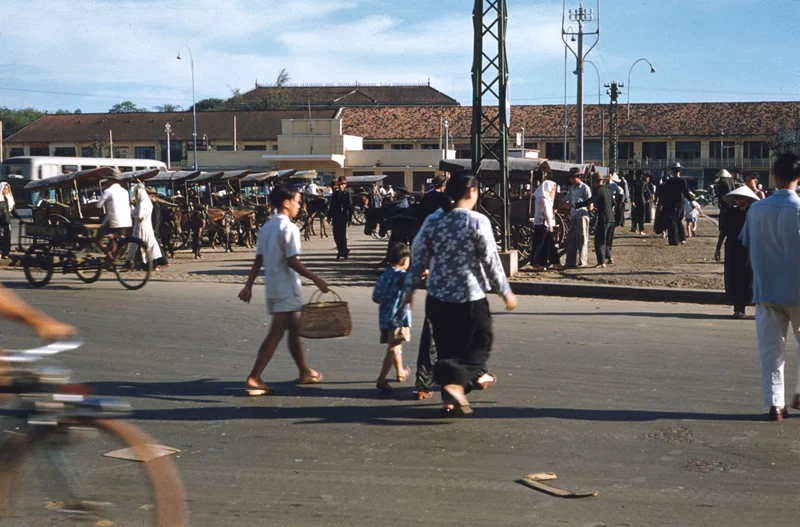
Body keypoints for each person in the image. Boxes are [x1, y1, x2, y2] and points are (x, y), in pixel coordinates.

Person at [403, 173, 517, 416]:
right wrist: (504, 291)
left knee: (446, 350)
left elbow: (418, 254)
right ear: (471, 192)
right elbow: (491, 261)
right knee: (479, 345)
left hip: (437, 298)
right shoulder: (477, 221)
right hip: (469, 296)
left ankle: (450, 399)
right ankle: (456, 385)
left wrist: (409, 288)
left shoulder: (434, 220)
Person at [238, 185, 329, 396]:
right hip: (286, 287)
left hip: (273, 286)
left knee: (293, 330)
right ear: (286, 203)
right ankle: (255, 377)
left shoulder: (266, 228)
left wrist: (249, 285)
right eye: (297, 201)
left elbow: (258, 260)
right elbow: (293, 261)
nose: (299, 205)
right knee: (276, 333)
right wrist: (317, 279)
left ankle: (304, 371)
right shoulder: (289, 229)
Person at [739, 153, 800, 421]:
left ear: (774, 177)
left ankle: (775, 404)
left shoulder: (756, 209)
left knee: (771, 350)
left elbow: (747, 245)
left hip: (766, 290)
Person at [412, 174, 452, 400]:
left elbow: (418, 242)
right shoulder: (466, 218)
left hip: (435, 284)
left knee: (431, 334)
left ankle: (424, 383)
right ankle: (460, 381)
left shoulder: (430, 211)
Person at [372, 243, 412, 393]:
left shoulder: (384, 275)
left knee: (394, 345)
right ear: (405, 260)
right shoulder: (402, 276)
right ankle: (381, 379)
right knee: (394, 347)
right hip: (399, 317)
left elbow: (375, 297)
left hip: (384, 317)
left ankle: (400, 372)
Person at [715, 186, 758, 318]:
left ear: (748, 199)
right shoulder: (731, 212)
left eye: (741, 198)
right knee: (732, 276)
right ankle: (737, 307)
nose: (738, 200)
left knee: (746, 277)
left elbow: (755, 234)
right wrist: (718, 248)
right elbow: (724, 232)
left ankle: (744, 304)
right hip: (732, 247)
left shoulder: (752, 214)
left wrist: (752, 253)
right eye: (737, 198)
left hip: (746, 247)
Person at [578, 172, 615, 267]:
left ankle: (601, 262)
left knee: (599, 240)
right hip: (611, 218)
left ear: (595, 182)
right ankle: (610, 258)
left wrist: (577, 205)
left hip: (604, 218)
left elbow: (590, 201)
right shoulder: (608, 190)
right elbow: (614, 203)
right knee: (608, 240)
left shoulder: (599, 191)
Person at [96, 169, 133, 258]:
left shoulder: (108, 191)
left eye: (108, 180)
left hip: (114, 221)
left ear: (111, 180)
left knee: (98, 239)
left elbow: (98, 206)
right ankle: (113, 256)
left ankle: (109, 256)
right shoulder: (125, 191)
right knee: (114, 238)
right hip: (127, 221)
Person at [658, 163, 693, 245]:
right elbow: (686, 192)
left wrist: (661, 204)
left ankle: (674, 240)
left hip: (670, 204)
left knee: (672, 222)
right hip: (681, 203)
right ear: (680, 171)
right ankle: (682, 238)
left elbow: (664, 194)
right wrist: (691, 201)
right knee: (679, 221)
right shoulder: (683, 181)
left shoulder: (668, 182)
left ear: (672, 171)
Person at [530, 177, 561, 270]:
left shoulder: (543, 198)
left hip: (544, 224)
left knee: (549, 244)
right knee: (540, 245)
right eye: (552, 189)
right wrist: (550, 225)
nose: (553, 191)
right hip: (543, 224)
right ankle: (537, 263)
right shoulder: (543, 199)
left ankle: (553, 262)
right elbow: (546, 212)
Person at [563, 168, 592, 267]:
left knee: (582, 239)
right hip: (573, 215)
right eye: (570, 178)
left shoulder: (585, 188)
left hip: (582, 215)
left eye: (573, 178)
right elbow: (566, 198)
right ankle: (570, 261)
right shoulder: (572, 189)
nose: (571, 180)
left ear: (578, 177)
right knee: (571, 239)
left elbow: (589, 202)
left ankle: (582, 261)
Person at [129, 185, 163, 268]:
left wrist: (133, 214)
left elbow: (140, 216)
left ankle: (139, 262)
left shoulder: (141, 203)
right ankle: (152, 263)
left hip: (141, 227)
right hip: (148, 226)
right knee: (150, 245)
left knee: (139, 244)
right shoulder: (147, 202)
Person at [328, 177, 353, 260]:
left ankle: (342, 251)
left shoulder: (347, 194)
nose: (340, 186)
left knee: (342, 235)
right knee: (336, 235)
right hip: (335, 216)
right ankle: (343, 250)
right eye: (339, 184)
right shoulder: (335, 194)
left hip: (343, 216)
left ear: (345, 185)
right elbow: (331, 206)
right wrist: (329, 216)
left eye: (342, 184)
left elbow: (350, 207)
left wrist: (349, 219)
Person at [148, 188, 170, 269]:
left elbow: (155, 219)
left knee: (156, 246)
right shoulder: (153, 205)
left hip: (154, 229)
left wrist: (153, 229)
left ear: (152, 196)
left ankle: (163, 261)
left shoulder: (156, 206)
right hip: (153, 228)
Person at [0, 182, 19, 259]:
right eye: (4, 189)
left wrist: (19, 217)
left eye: (7, 190)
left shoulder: (10, 198)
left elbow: (13, 210)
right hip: (0, 221)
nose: (5, 191)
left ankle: (5, 253)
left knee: (7, 237)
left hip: (7, 222)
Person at [630, 170, 649, 235]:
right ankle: (641, 229)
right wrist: (647, 199)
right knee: (642, 216)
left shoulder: (633, 182)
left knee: (634, 215)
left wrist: (632, 201)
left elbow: (632, 192)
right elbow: (648, 192)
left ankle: (634, 228)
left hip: (636, 201)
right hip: (643, 201)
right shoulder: (644, 183)